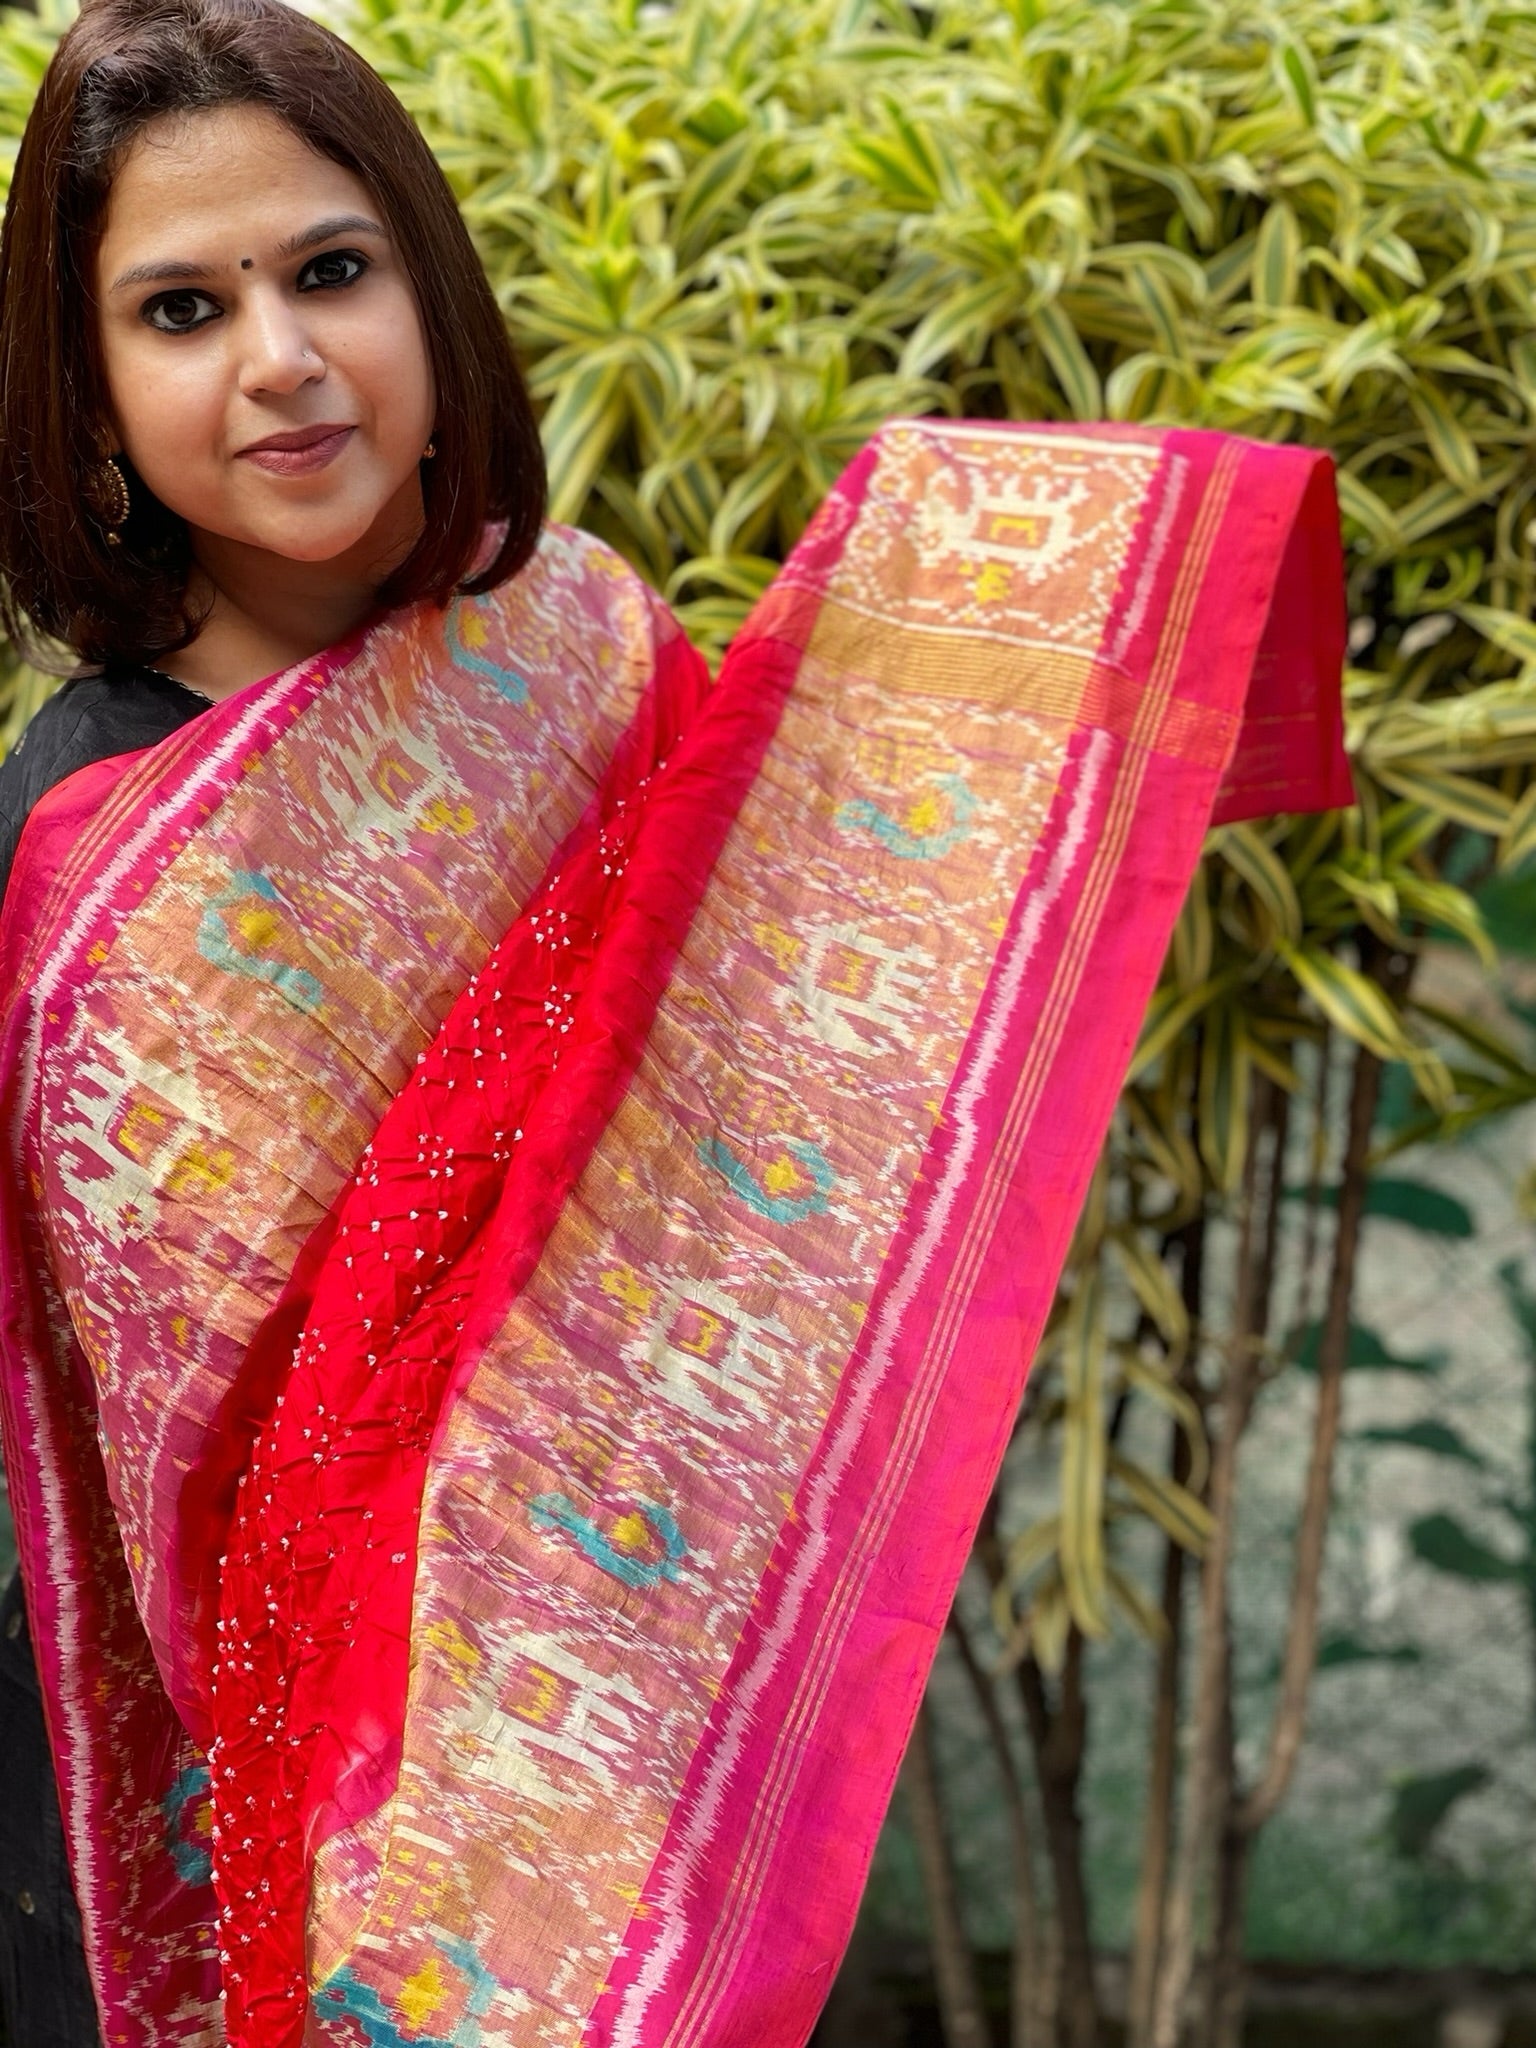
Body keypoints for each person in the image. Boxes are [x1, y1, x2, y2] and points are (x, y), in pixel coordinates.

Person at [0, 2, 1352, 2043]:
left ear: (432, 300)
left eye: (332, 273)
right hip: (278, 1769)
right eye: (182, 309)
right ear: (91, 397)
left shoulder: (575, 639)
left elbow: (759, 1038)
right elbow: (194, 1458)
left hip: (638, 1692)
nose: (279, 361)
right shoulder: (93, 850)